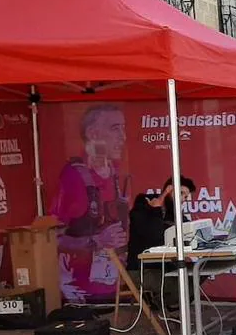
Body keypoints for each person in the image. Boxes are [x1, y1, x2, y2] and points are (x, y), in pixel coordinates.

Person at [52, 104, 130, 302]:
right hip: (79, 296)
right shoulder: (74, 177)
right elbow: (50, 239)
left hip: (115, 294)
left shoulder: (115, 172)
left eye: (123, 128)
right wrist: (97, 241)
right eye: (115, 129)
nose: (123, 137)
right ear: (93, 134)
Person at [126, 175, 194, 306]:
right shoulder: (143, 207)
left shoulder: (172, 212)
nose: (182, 199)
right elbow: (155, 236)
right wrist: (156, 209)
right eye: (180, 193)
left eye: (185, 197)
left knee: (199, 271)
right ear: (169, 190)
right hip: (142, 271)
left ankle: (162, 304)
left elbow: (186, 229)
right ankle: (159, 305)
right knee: (184, 283)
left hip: (164, 267)